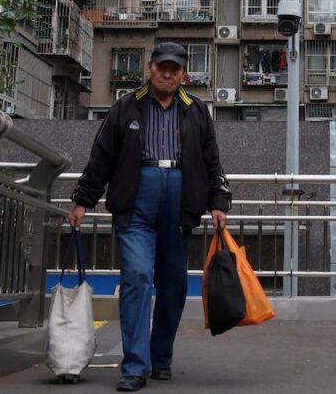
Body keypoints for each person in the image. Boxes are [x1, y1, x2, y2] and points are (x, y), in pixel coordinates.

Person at [69, 42, 232, 392]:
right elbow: (102, 157)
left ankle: (161, 359)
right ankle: (134, 366)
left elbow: (211, 160)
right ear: (150, 67)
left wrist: (219, 201)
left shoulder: (196, 110)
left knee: (172, 286)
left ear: (183, 74)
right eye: (162, 67)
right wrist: (83, 200)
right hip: (136, 200)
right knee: (138, 277)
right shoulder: (125, 107)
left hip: (179, 202)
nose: (168, 74)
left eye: (175, 69)